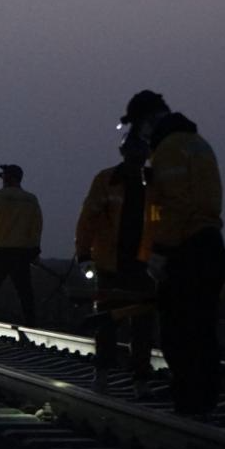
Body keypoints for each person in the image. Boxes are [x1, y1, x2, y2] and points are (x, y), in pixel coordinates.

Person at [119, 90, 225, 415]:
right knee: (203, 333)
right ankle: (202, 403)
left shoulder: (168, 150)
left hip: (186, 252)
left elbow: (173, 206)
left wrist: (160, 252)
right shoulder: (200, 145)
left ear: (147, 121)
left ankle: (188, 406)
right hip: (211, 246)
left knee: (178, 334)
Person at [75, 126, 156, 393]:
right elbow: (89, 217)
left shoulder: (154, 183)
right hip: (111, 263)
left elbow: (160, 220)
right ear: (124, 152)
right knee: (108, 321)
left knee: (142, 324)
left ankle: (140, 378)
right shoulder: (106, 180)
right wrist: (84, 253)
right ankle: (103, 373)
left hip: (142, 264)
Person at [0, 164, 43, 333]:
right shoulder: (31, 199)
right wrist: (34, 249)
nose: (2, 180)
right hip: (21, 253)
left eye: (4, 177)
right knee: (25, 292)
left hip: (0, 251)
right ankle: (32, 326)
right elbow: (36, 226)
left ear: (9, 178)